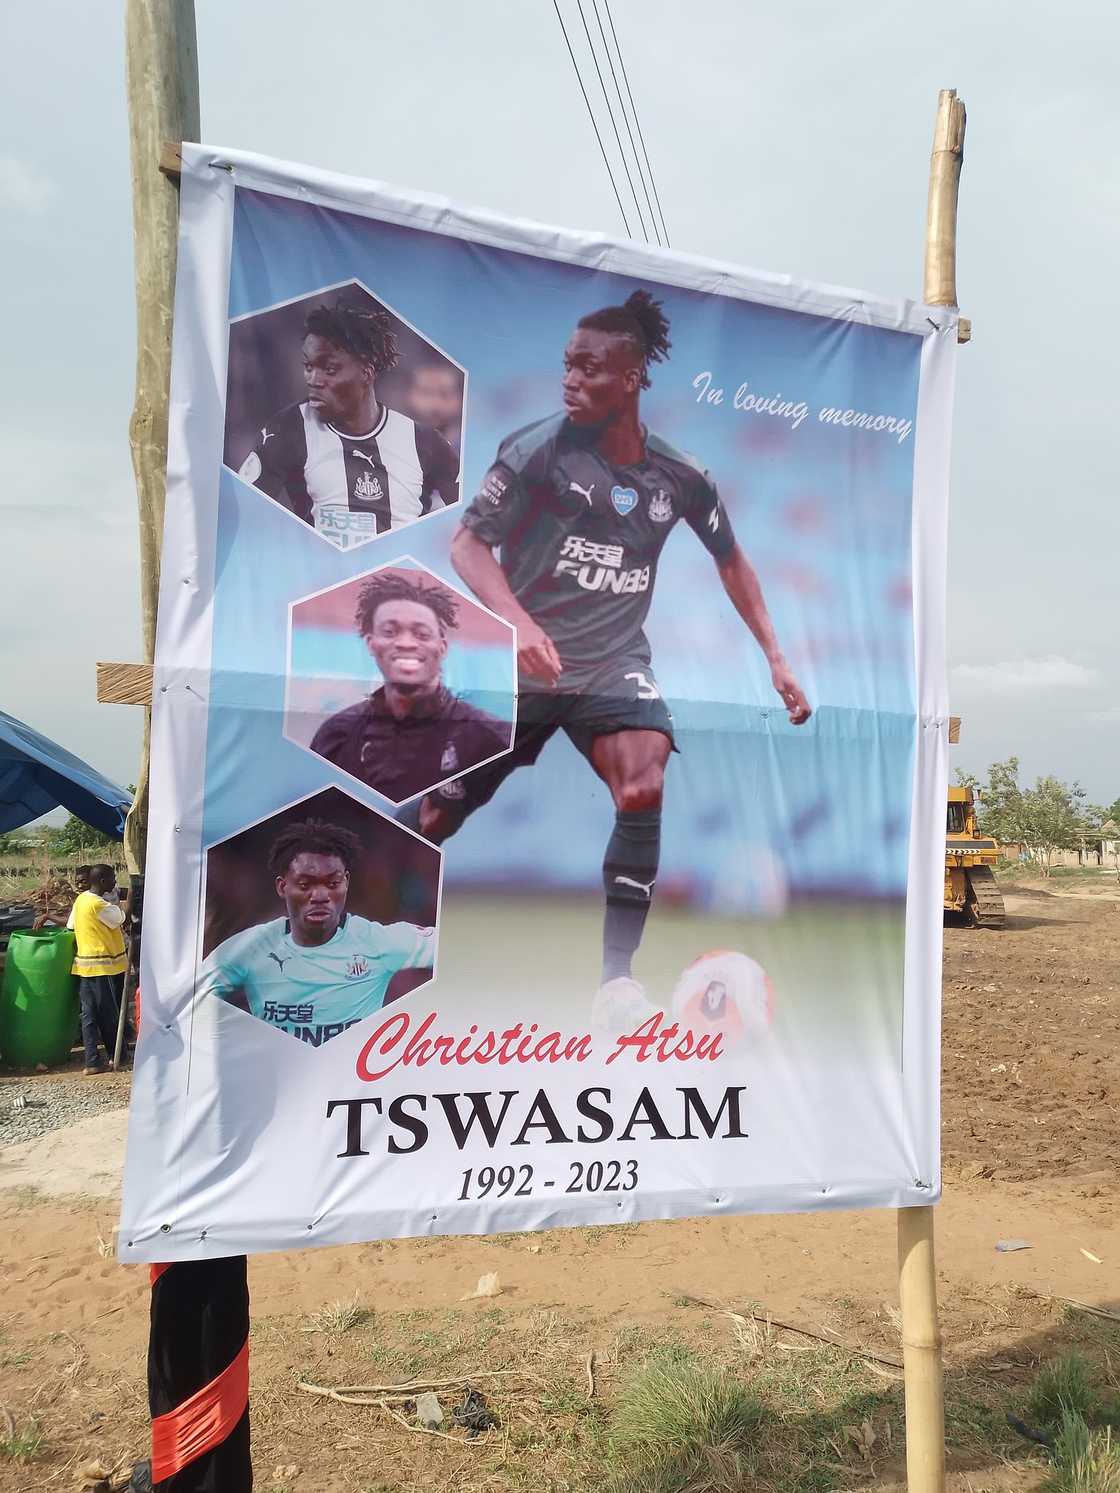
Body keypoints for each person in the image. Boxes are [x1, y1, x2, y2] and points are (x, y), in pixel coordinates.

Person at [409, 290, 811, 1028]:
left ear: (630, 378)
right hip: (526, 666)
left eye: (589, 368)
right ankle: (362, 923)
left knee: (644, 777)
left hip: (613, 663)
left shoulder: (681, 476)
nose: (571, 379)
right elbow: (467, 544)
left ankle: (616, 982)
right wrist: (519, 624)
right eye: (568, 364)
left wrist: (776, 657)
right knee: (437, 810)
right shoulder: (536, 452)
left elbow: (731, 559)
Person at [237, 298, 460, 548]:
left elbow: (471, 528)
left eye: (329, 369)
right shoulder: (289, 429)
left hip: (400, 571)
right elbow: (241, 512)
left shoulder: (423, 442)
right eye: (308, 366)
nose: (313, 379)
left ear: (366, 372)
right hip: (321, 571)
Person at [199, 820, 434, 1045]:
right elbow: (189, 1005)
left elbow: (450, 948)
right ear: (282, 886)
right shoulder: (250, 947)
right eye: (305, 885)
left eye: (332, 884)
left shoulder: (377, 941)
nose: (320, 896)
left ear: (346, 883)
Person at [309, 571, 509, 803]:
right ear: (371, 643)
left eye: (422, 634)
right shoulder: (337, 736)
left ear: (442, 647)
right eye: (389, 632)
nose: (406, 643)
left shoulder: (490, 738)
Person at [70, 863, 132, 1074]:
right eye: (113, 878)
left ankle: (92, 1061)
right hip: (102, 967)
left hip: (84, 966)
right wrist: (130, 898)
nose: (115, 882)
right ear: (103, 881)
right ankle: (119, 1055)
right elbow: (121, 918)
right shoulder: (99, 905)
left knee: (88, 1015)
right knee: (109, 1014)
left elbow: (71, 926)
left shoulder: (81, 900)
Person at [408, 361, 464, 451]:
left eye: (445, 394)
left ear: (459, 400)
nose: (435, 403)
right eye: (426, 393)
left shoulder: (467, 448)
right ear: (410, 396)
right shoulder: (396, 440)